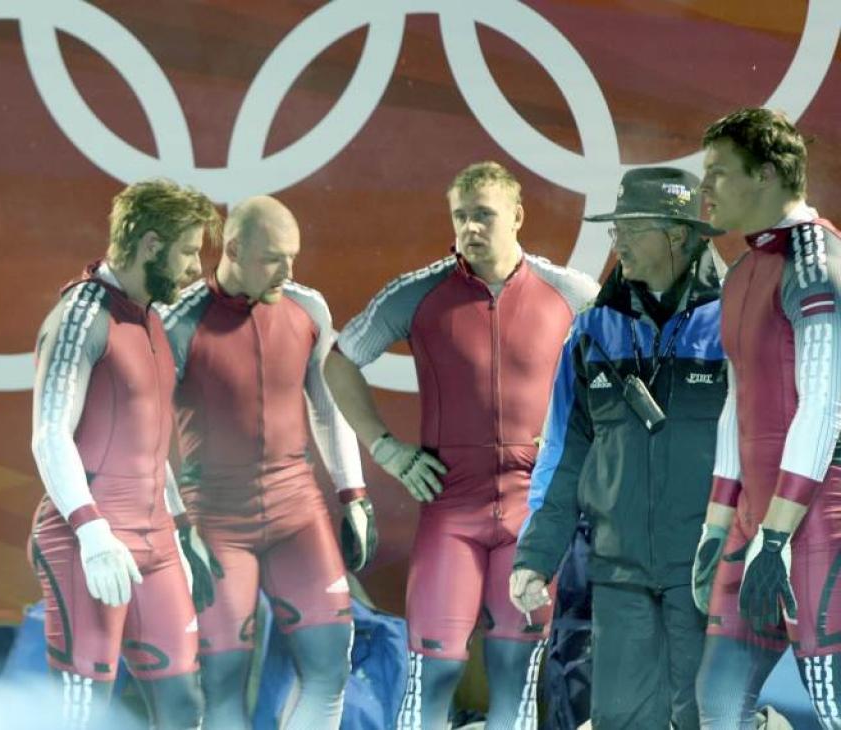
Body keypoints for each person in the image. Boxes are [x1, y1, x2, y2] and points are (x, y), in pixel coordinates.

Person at [324, 162, 598, 729]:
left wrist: (580, 443)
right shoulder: (421, 292)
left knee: (516, 683)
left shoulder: (570, 293)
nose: (470, 228)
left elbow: (618, 370)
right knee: (431, 680)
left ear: (517, 217)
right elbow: (339, 361)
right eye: (461, 216)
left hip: (532, 514)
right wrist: (387, 450)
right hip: (451, 513)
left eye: (484, 215)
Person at [510, 167, 727, 729]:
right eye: (615, 230)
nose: (618, 242)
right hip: (620, 572)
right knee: (622, 720)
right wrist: (536, 555)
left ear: (677, 234)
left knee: (704, 716)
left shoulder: (735, 323)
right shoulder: (591, 332)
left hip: (704, 571)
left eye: (631, 228)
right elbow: (563, 453)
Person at [160, 195, 372, 730]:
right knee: (220, 686)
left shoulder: (308, 309)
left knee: (330, 666)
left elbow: (328, 407)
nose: (288, 270)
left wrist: (354, 493)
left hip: (296, 512)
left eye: (293, 257)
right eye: (274, 258)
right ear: (231, 249)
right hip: (215, 523)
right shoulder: (174, 324)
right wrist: (178, 527)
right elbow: (142, 442)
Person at [28, 179, 222, 729]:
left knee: (182, 706)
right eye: (188, 251)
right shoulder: (81, 315)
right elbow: (48, 434)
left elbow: (148, 443)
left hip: (155, 540)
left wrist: (183, 531)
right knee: (82, 713)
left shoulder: (150, 318)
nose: (193, 270)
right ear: (152, 244)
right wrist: (91, 532)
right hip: (86, 542)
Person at [691, 108, 841, 728]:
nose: (706, 190)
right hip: (756, 522)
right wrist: (716, 526)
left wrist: (776, 535)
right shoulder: (741, 274)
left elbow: (826, 406)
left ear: (769, 174)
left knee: (832, 704)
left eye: (720, 173)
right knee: (720, 701)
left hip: (816, 519)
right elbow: (737, 405)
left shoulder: (816, 259)